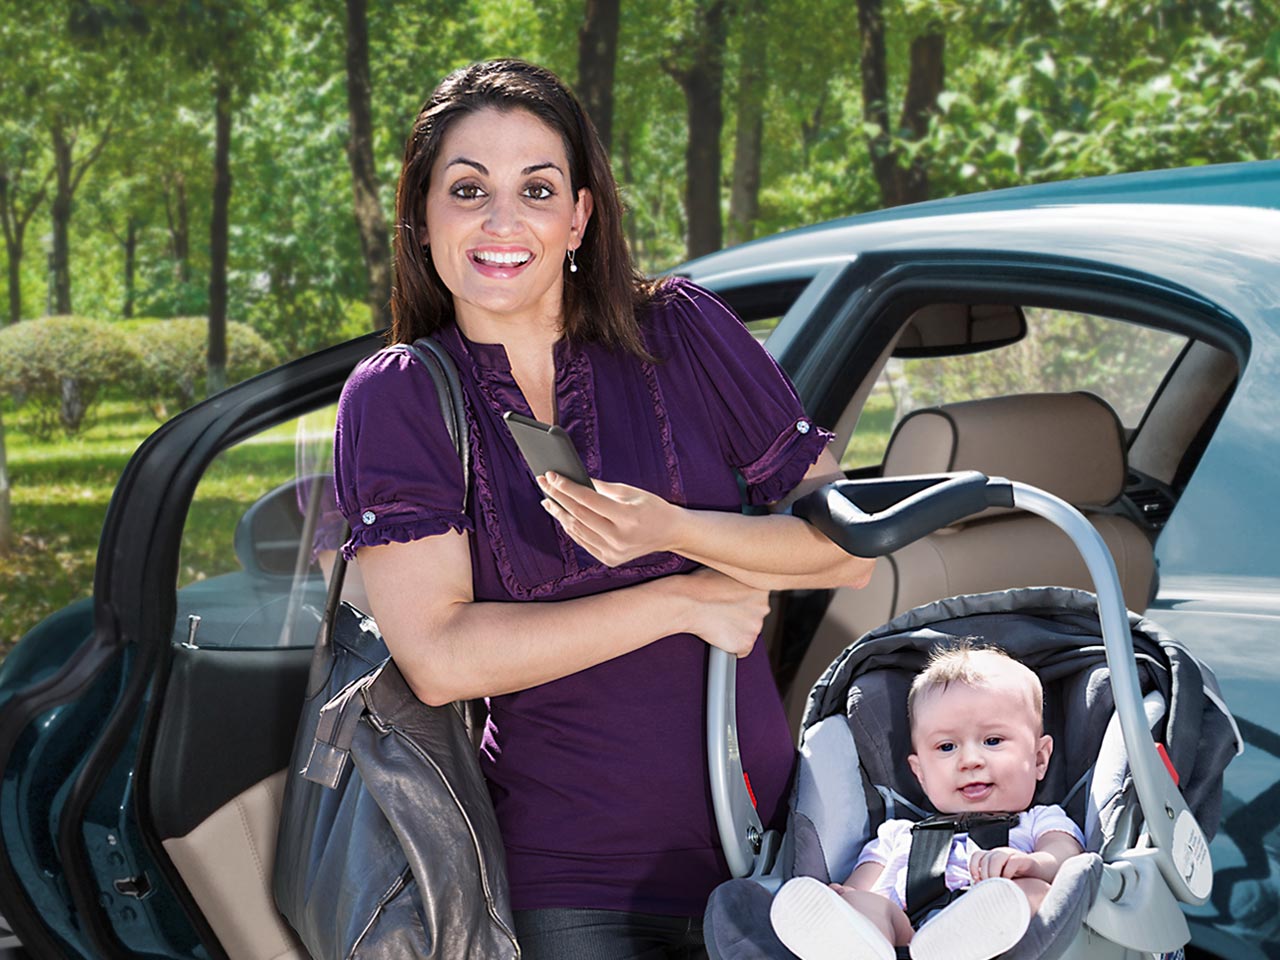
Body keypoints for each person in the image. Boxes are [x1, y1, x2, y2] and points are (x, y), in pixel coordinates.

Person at [332, 58, 875, 959]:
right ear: (420, 218)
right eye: (468, 190)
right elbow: (437, 657)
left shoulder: (682, 331)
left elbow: (846, 551)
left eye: (536, 189)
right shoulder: (398, 398)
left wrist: (675, 532)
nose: (503, 221)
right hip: (573, 881)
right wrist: (677, 599)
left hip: (779, 851)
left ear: (579, 215)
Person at [769, 644, 1085, 960]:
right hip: (909, 938)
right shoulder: (897, 835)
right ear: (920, 773)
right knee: (864, 907)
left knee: (1037, 893)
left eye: (992, 741)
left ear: (1039, 758)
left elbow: (1067, 857)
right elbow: (860, 886)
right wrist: (843, 901)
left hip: (998, 937)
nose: (970, 760)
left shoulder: (1040, 821)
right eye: (947, 747)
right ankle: (852, 950)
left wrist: (1031, 864)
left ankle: (959, 943)